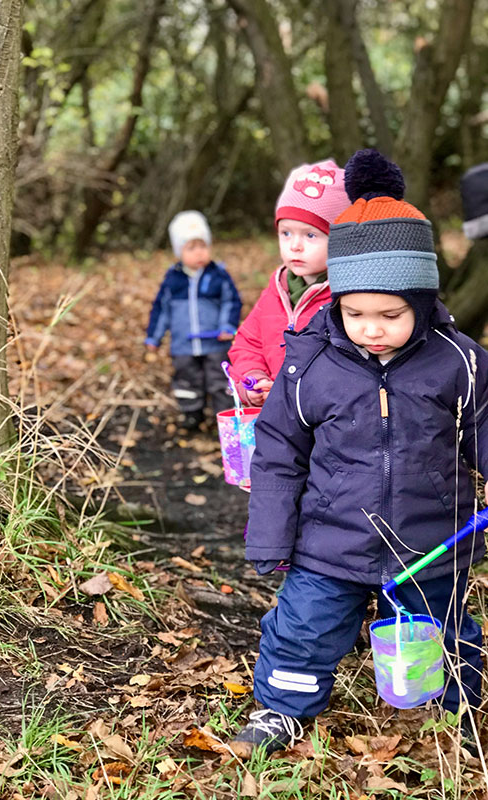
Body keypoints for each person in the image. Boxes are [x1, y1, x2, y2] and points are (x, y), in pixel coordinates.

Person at [232, 150, 488, 756]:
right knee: (304, 629)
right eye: (354, 313)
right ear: (336, 301)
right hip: (328, 539)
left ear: (423, 302)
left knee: (441, 633)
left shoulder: (460, 364)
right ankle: (283, 709)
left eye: (390, 315)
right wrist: (271, 535)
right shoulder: (310, 362)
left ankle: (457, 711)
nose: (371, 328)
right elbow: (278, 452)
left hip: (430, 540)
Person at [228, 160, 350, 406]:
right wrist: (253, 380)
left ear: (342, 239)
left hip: (330, 425)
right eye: (286, 233)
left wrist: (293, 390)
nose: (295, 245)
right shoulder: (277, 289)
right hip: (279, 423)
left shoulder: (349, 297)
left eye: (310, 235)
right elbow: (248, 344)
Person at [145, 211, 242, 430]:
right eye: (191, 248)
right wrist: (154, 336)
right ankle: (192, 412)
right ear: (179, 252)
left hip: (215, 342)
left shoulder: (218, 275)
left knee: (219, 379)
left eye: (203, 246)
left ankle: (225, 417)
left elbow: (231, 301)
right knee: (187, 379)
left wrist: (227, 325)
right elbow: (161, 309)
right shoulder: (173, 279)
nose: (199, 252)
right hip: (183, 344)